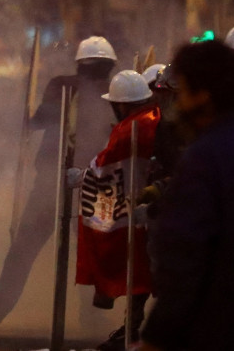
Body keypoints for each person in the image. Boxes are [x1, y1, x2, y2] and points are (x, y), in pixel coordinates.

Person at [139, 39, 234, 351]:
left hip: (221, 333)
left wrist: (157, 336)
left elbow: (185, 259)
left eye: (182, 92)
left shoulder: (206, 157)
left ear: (203, 97)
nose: (178, 105)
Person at [0, 35, 119, 330]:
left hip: (64, 181)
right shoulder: (112, 91)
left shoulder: (62, 85)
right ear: (109, 66)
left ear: (80, 65)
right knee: (92, 250)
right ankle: (92, 316)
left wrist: (25, 118)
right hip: (88, 183)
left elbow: (38, 120)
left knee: (25, 247)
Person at [75, 70, 160, 351]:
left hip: (158, 208)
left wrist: (80, 176)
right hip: (156, 204)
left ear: (121, 104)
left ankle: (150, 334)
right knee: (149, 274)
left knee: (158, 274)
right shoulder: (154, 119)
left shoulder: (134, 127)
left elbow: (106, 167)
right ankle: (133, 330)